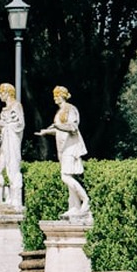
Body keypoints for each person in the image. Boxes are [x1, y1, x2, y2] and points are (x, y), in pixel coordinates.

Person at [37, 86, 89, 219]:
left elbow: (72, 127)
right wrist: (47, 132)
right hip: (62, 148)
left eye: (57, 95)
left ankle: (85, 200)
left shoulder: (71, 109)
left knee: (65, 176)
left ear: (62, 96)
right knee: (67, 177)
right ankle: (74, 207)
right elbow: (59, 129)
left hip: (70, 147)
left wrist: (57, 126)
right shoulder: (60, 111)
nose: (55, 98)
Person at [0, 83, 24, 208]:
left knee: (13, 167)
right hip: (6, 139)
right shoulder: (4, 109)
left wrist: (4, 125)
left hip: (12, 139)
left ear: (7, 93)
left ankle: (16, 198)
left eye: (1, 93)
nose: (0, 96)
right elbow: (5, 123)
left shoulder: (16, 106)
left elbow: (20, 124)